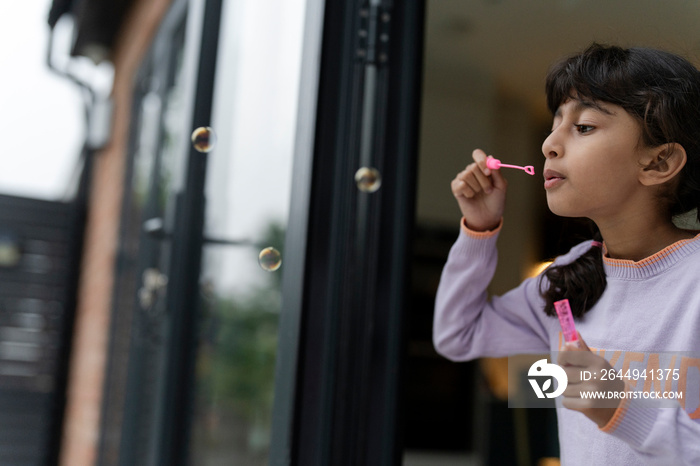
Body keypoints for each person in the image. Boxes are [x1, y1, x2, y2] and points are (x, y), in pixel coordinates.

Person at [433, 43, 700, 465]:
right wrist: (479, 231)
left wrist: (622, 410)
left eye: (585, 127)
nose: (549, 146)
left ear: (659, 161)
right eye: (555, 123)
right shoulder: (567, 278)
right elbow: (457, 335)